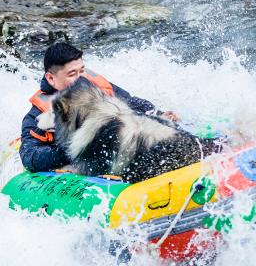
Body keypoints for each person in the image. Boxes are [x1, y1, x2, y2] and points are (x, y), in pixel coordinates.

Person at [20, 42, 180, 173]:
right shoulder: (38, 115)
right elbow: (30, 157)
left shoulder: (95, 87)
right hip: (83, 162)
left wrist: (159, 114)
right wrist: (80, 148)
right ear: (50, 78)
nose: (79, 79)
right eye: (71, 74)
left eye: (81, 71)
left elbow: (131, 102)